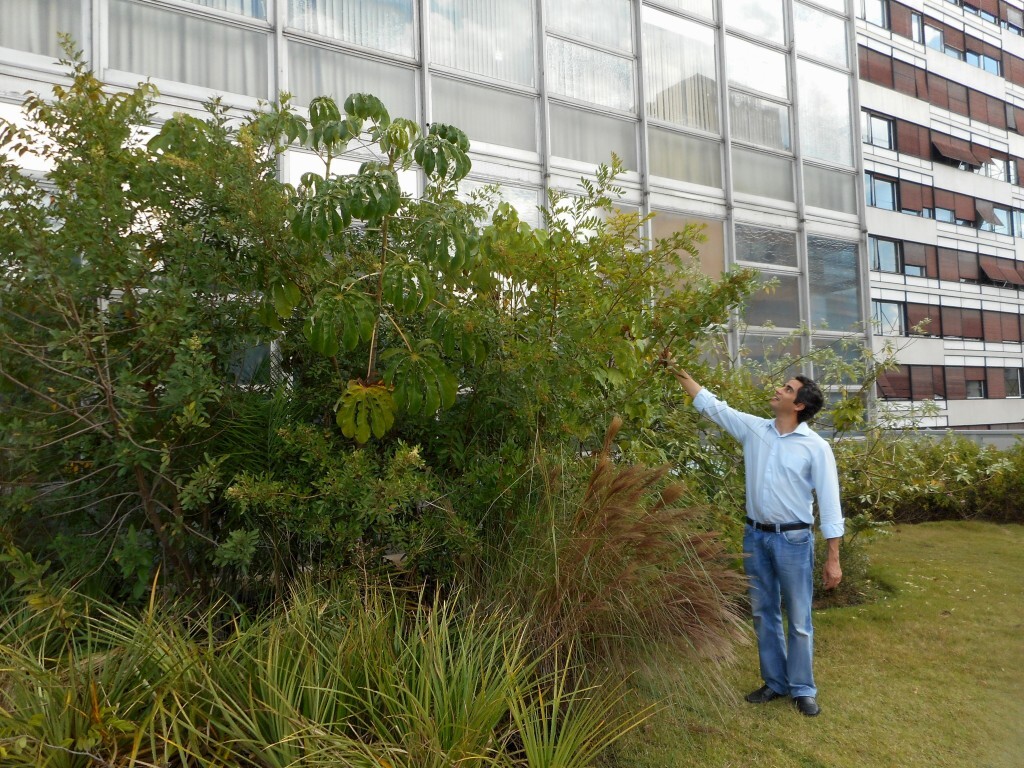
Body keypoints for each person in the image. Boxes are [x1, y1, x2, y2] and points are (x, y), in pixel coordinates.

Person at [665, 361, 843, 717]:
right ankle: (775, 683)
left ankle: (803, 689)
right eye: (783, 386)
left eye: (788, 389)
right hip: (755, 537)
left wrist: (833, 556)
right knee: (763, 613)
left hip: (793, 541)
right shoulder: (754, 430)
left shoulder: (815, 447)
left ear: (799, 406)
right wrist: (677, 370)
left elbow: (829, 501)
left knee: (799, 619)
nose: (779, 390)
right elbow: (713, 406)